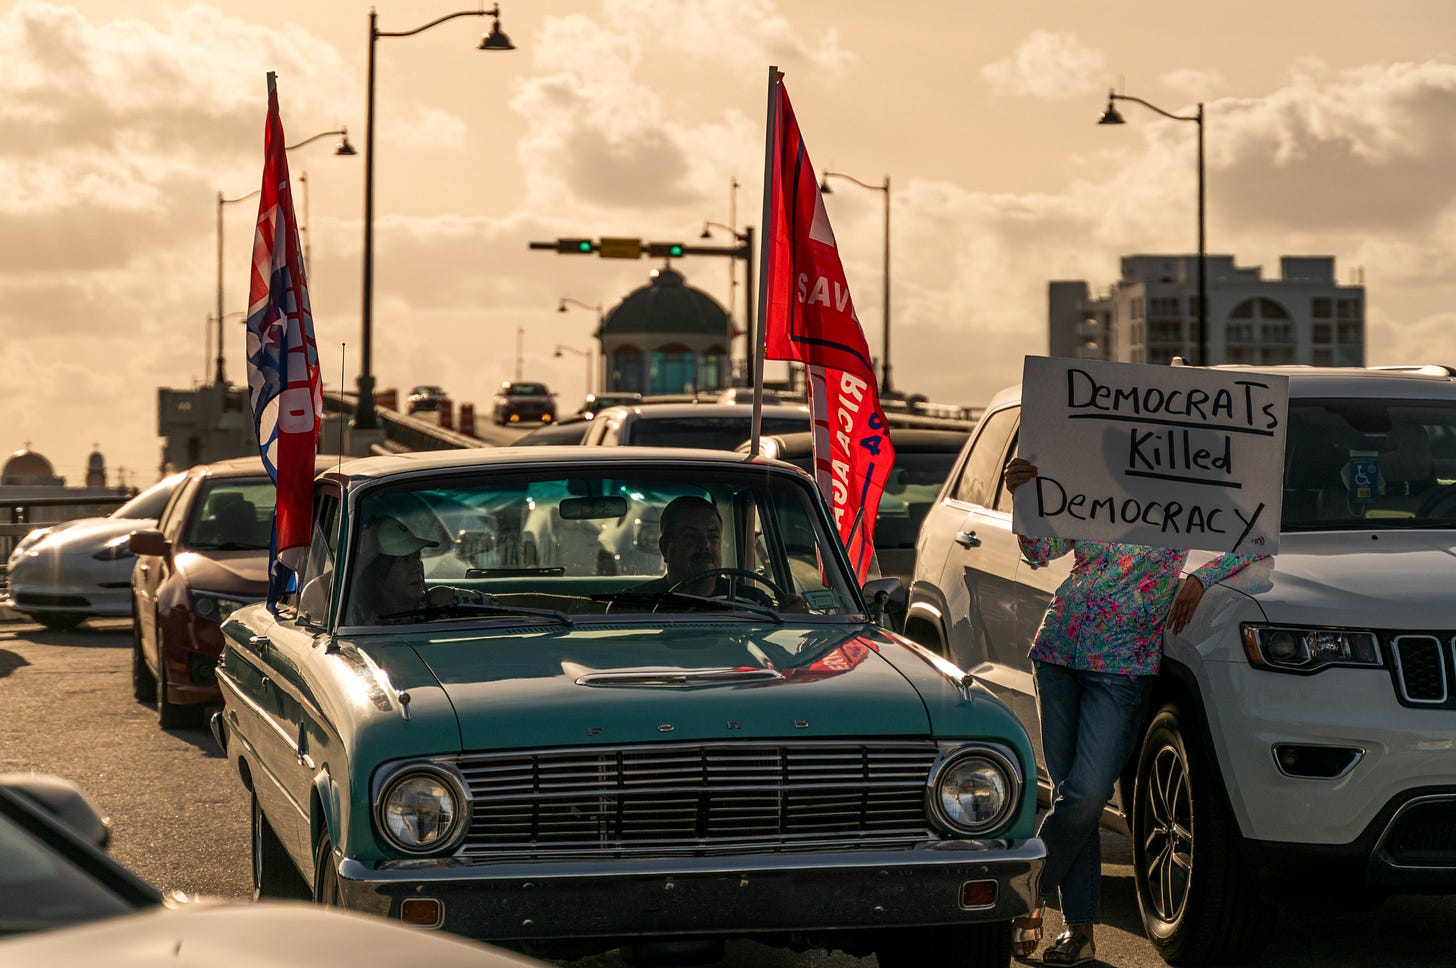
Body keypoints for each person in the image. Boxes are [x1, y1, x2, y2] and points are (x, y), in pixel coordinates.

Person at [1002, 456, 1261, 965]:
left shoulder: (1186, 495)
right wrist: (1023, 496)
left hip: (1122, 664)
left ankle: (1024, 892)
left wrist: (1200, 579)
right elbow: (1041, 551)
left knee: (1085, 795)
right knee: (1074, 799)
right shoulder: (1092, 488)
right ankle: (1079, 933)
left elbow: (1255, 537)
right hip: (1057, 651)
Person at [345, 516, 491, 625]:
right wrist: (362, 560)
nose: (416, 567)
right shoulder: (358, 616)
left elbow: (501, 605)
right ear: (377, 572)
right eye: (403, 560)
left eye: (417, 556)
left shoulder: (443, 603)